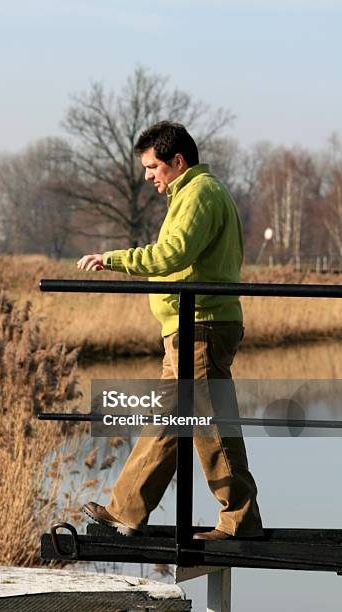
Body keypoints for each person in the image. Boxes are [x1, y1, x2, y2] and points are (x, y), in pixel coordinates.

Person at [77, 121, 263, 540]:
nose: (148, 177)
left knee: (210, 425)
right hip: (190, 327)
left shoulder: (199, 194)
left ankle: (240, 520)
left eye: (152, 167)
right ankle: (126, 511)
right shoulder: (196, 193)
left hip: (201, 325)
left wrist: (114, 259)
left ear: (177, 161)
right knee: (166, 422)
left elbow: (171, 254)